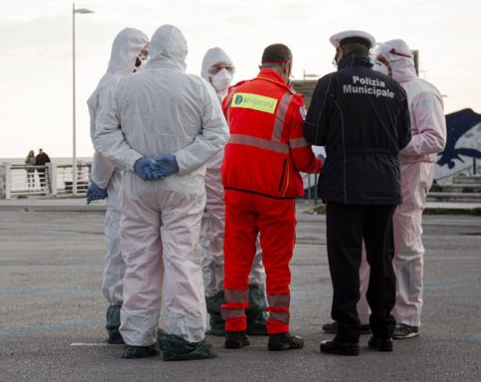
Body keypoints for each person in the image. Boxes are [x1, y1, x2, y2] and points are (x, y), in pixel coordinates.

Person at [96, 24, 228, 361]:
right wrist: (178, 161)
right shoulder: (197, 87)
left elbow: (106, 134)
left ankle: (138, 337)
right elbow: (216, 134)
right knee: (181, 258)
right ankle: (184, 336)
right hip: (181, 187)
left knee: (139, 259)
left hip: (137, 186)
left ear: (152, 50)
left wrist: (135, 162)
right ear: (182, 52)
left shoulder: (124, 87)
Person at [304, 30, 411, 356]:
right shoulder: (394, 89)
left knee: (346, 260)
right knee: (381, 260)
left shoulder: (332, 83)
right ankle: (383, 333)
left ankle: (348, 334)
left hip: (346, 185)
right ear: (367, 55)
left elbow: (314, 131)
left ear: (341, 55)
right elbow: (404, 139)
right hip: (385, 184)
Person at [341, 39, 446, 340]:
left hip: (411, 172)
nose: (377, 65)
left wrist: (396, 146)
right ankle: (361, 315)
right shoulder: (385, 90)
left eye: (381, 61)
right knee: (368, 247)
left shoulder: (423, 93)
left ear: (395, 61)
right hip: (385, 173)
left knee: (405, 246)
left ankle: (408, 317)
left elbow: (435, 138)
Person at [221, 43, 323, 352]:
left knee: (236, 261)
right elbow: (303, 158)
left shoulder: (234, 94)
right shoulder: (290, 102)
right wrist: (321, 164)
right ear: (288, 67)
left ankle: (234, 330)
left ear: (262, 64)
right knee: (277, 263)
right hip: (274, 194)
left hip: (236, 190)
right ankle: (278, 330)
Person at [198, 48, 268, 337]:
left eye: (228, 67)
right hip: (212, 187)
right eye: (216, 68)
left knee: (252, 249)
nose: (223, 73)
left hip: (241, 183)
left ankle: (253, 310)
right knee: (214, 251)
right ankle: (220, 314)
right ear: (206, 72)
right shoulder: (199, 101)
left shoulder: (243, 97)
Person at [86, 27, 150, 344]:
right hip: (123, 178)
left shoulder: (113, 83)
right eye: (142, 51)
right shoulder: (115, 86)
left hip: (126, 177)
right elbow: (106, 142)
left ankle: (124, 318)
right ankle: (120, 319)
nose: (145, 58)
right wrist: (100, 178)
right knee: (123, 250)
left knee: (127, 249)